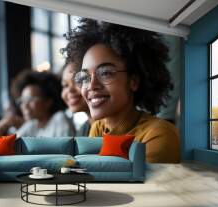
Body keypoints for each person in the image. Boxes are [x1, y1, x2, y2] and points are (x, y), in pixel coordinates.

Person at [62, 19, 180, 163]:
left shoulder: (159, 135)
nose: (91, 85)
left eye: (105, 73)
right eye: (84, 77)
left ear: (133, 81)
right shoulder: (98, 128)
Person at [11, 70, 75, 137]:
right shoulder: (32, 124)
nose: (25, 105)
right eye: (22, 101)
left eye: (30, 99)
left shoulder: (59, 119)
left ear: (48, 102)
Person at [61, 62, 93, 136]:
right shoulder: (83, 130)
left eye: (78, 81)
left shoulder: (113, 128)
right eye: (65, 85)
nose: (70, 90)